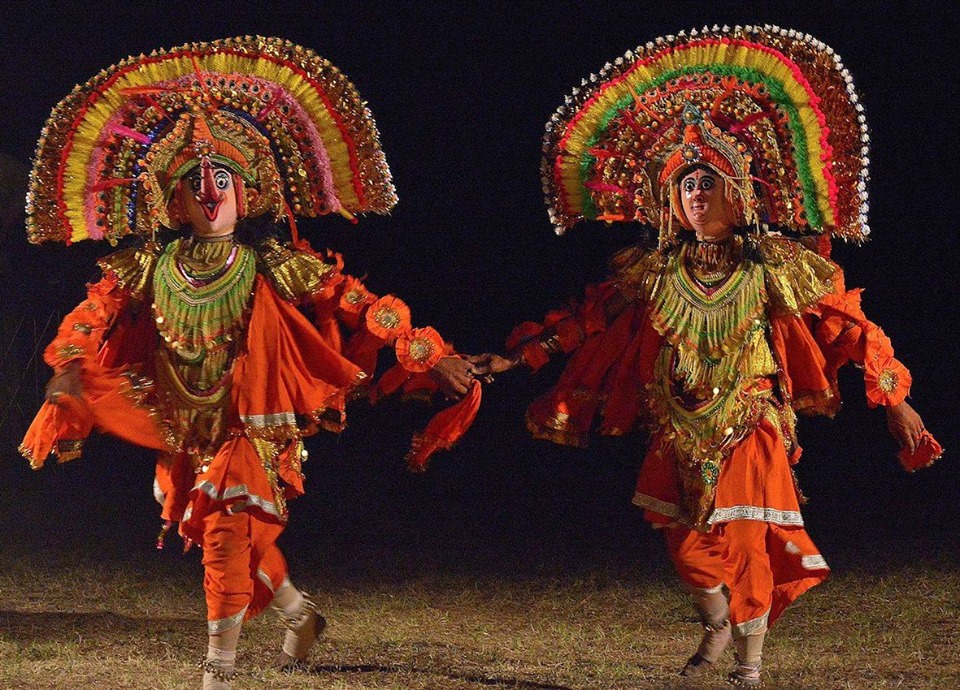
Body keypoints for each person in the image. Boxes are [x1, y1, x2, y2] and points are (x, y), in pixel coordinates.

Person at [472, 25, 942, 686]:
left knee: (746, 539)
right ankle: (718, 624)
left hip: (750, 420)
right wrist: (518, 360)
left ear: (736, 194)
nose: (695, 194)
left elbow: (847, 325)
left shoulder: (774, 265)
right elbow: (585, 323)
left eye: (707, 183)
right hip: (677, 424)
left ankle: (748, 666)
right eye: (686, 185)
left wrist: (894, 398)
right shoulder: (654, 270)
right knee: (686, 545)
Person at [19, 37, 480, 689]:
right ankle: (299, 613)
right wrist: (69, 362)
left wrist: (432, 357)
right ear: (174, 202)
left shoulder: (272, 262)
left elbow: (360, 305)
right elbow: (91, 314)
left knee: (225, 538)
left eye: (223, 180)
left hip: (255, 424)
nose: (210, 192)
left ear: (246, 194)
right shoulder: (149, 265)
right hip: (185, 423)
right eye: (195, 183)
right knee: (232, 533)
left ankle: (220, 675)